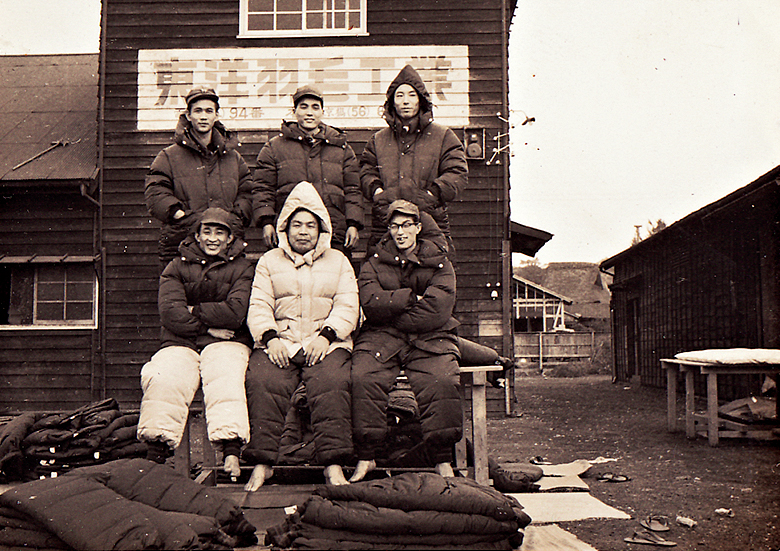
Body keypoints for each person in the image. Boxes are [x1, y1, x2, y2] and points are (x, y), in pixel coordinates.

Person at [243, 181, 359, 490]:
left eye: (310, 225)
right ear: (285, 228)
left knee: (332, 383)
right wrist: (270, 338)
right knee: (263, 381)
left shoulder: (338, 261)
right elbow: (259, 304)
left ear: (322, 229)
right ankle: (263, 464)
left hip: (327, 343)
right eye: (296, 225)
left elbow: (348, 304)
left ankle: (333, 466)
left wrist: (328, 335)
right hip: (282, 342)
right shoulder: (269, 262)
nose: (303, 231)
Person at [137, 207, 254, 478]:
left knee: (226, 374)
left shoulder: (243, 267)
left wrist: (193, 310)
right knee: (164, 374)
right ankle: (157, 456)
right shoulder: (175, 267)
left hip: (228, 341)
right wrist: (209, 327)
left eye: (220, 233)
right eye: (207, 232)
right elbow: (170, 313)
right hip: (183, 341)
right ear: (197, 236)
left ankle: (231, 451)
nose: (213, 238)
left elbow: (236, 313)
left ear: (229, 238)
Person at [350, 199, 461, 482]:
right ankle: (367, 456)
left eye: (407, 225)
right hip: (382, 338)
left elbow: (437, 310)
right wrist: (410, 299)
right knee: (362, 376)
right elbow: (370, 302)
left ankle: (442, 459)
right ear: (388, 229)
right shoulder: (373, 262)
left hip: (430, 337)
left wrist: (392, 312)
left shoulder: (439, 261)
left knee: (441, 379)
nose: (400, 232)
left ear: (418, 227)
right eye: (394, 226)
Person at [360, 64, 468, 254]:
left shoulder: (443, 136)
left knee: (433, 277)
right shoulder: (378, 139)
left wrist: (431, 195)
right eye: (399, 96)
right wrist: (378, 193)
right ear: (392, 102)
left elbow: (456, 173)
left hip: (430, 222)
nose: (405, 101)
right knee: (383, 277)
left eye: (411, 95)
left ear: (421, 100)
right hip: (386, 225)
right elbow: (366, 172)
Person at [145, 87, 255, 266]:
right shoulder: (168, 156)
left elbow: (247, 192)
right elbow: (156, 192)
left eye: (209, 111)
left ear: (216, 115)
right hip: (182, 245)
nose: (203, 116)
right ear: (188, 115)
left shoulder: (233, 157)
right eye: (197, 111)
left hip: (226, 248)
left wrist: (233, 220)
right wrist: (180, 215)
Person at [253, 85, 363, 258]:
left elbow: (353, 190)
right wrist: (266, 222)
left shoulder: (341, 149)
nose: (309, 112)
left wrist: (353, 223)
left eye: (315, 107)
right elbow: (263, 188)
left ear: (322, 112)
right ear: (294, 111)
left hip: (333, 231)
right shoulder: (274, 147)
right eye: (303, 107)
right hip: (289, 234)